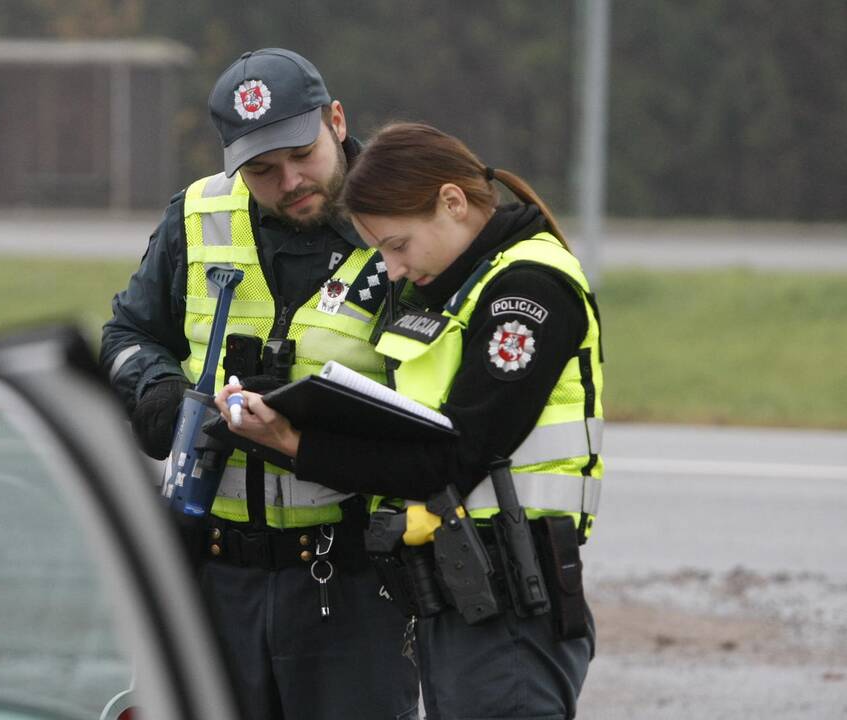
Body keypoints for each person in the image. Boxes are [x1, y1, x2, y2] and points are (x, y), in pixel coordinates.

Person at [216, 122, 604, 719]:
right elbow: (412, 425)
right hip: (462, 597)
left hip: (510, 606)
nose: (393, 270)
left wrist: (297, 442)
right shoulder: (459, 291)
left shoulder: (527, 291)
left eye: (397, 246)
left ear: (452, 201)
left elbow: (450, 458)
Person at [100, 50, 419, 720]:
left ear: (336, 121)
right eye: (261, 169)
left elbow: (439, 399)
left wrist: (314, 432)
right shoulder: (196, 216)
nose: (289, 181)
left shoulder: (406, 223)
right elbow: (126, 337)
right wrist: (159, 399)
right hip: (215, 575)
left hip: (353, 580)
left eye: (301, 155)